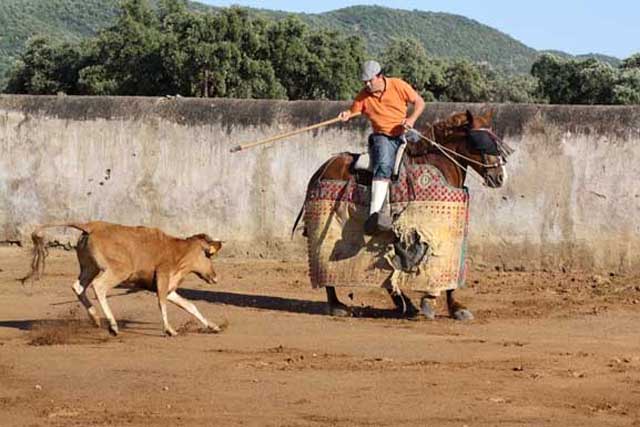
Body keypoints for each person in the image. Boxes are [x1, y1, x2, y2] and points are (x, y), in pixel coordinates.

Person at [339, 60, 425, 234]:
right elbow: (353, 111)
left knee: (426, 152)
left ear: (379, 76)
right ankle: (375, 215)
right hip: (382, 136)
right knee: (384, 164)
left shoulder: (398, 85)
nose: (367, 85)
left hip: (403, 132)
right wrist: (346, 114)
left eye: (370, 81)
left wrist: (411, 120)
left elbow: (420, 103)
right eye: (365, 82)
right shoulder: (363, 95)